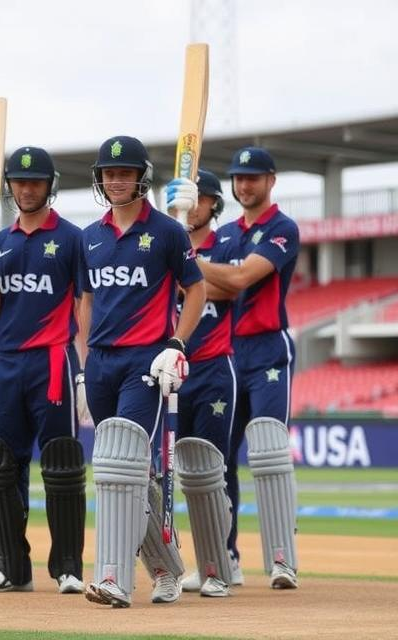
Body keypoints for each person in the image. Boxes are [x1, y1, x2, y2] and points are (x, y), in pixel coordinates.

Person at [80, 136, 206, 608]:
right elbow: (86, 302)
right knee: (131, 472)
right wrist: (82, 363)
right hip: (101, 362)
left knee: (122, 468)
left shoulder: (169, 233)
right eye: (108, 173)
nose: (115, 180)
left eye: (124, 172)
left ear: (140, 177)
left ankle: (113, 578)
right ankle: (167, 568)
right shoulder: (89, 236)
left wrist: (176, 345)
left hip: (146, 362)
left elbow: (196, 292)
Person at [172, 147, 300, 590]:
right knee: (218, 461)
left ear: (271, 180)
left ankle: (283, 558)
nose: (245, 185)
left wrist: (183, 261)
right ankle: (225, 556)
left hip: (266, 349)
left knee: (268, 449)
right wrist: (198, 268)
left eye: (253, 177)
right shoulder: (225, 234)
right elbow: (208, 287)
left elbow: (239, 280)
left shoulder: (282, 228)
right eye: (239, 178)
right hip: (226, 353)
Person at [0, 146, 86, 595]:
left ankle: (68, 567)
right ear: (10, 187)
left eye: (35, 181)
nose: (27, 187)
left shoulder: (72, 238)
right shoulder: (1, 241)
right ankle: (12, 568)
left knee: (61, 465)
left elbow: (83, 303)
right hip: (6, 363)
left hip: (52, 361)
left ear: (50, 185)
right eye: (19, 181)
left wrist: (83, 369)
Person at [166, 169, 241, 598]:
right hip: (175, 370)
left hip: (214, 367)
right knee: (179, 472)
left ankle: (221, 557)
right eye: (184, 200)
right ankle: (197, 559)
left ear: (213, 203)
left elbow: (230, 287)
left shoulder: (227, 241)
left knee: (213, 468)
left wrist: (186, 268)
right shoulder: (163, 238)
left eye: (199, 200)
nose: (192, 208)